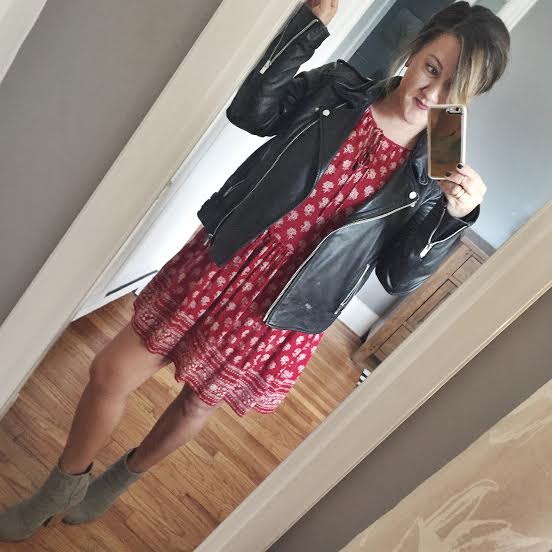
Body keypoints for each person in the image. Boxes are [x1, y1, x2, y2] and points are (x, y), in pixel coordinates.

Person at [0, 0, 509, 541]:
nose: (432, 94)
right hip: (226, 258)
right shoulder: (337, 88)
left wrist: (453, 218)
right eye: (432, 68)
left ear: (470, 98)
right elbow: (251, 114)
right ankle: (62, 485)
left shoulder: (438, 169)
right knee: (110, 371)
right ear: (415, 49)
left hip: (283, 308)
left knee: (197, 403)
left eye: (455, 88)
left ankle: (121, 478)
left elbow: (396, 276)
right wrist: (306, 30)